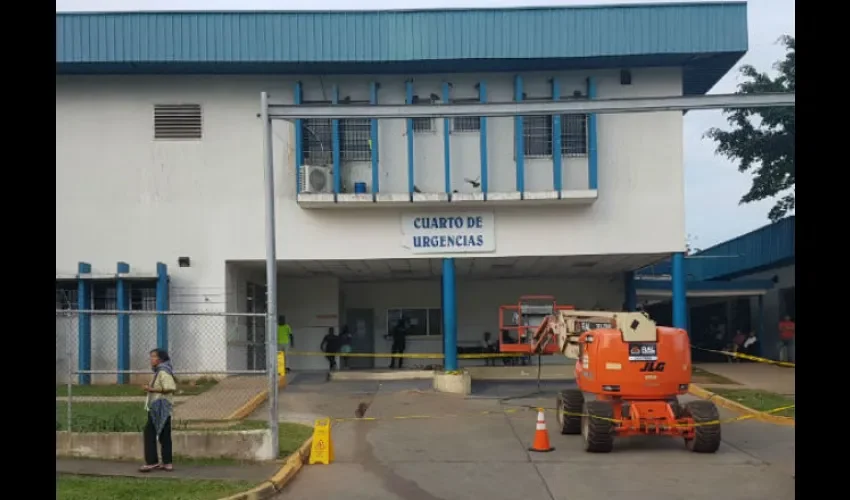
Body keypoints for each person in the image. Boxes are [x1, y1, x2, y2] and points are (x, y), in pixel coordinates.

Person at [140, 348, 177, 473]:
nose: (151, 359)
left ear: (160, 359)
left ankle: (152, 462)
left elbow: (170, 387)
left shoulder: (163, 371)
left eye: (153, 357)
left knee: (149, 432)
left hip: (161, 406)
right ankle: (167, 462)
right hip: (160, 406)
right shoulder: (160, 371)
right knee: (164, 434)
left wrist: (151, 389)